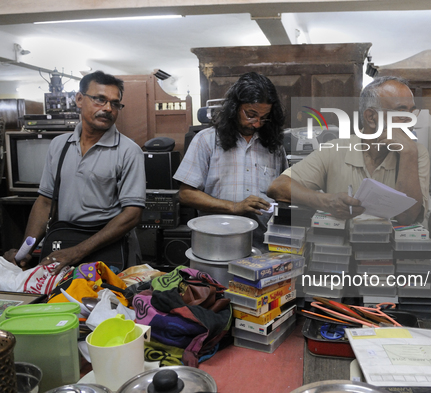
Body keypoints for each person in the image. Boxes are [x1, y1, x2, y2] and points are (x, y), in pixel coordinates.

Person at [3, 71, 146, 273]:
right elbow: (44, 204)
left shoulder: (129, 151)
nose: (107, 108)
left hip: (111, 251)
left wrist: (78, 252)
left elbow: (132, 214)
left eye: (115, 103)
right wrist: (26, 250)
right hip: (65, 244)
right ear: (79, 99)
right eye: (100, 99)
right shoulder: (58, 145)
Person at [267, 76, 430, 225]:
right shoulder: (335, 149)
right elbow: (278, 187)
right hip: (340, 251)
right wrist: (326, 201)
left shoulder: (416, 153)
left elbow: (407, 217)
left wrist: (408, 154)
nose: (411, 120)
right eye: (402, 111)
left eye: (412, 111)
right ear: (371, 118)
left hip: (390, 253)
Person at [173, 72, 288, 250]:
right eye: (251, 114)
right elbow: (185, 194)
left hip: (263, 246)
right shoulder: (206, 140)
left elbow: (283, 194)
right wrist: (234, 207)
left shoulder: (274, 146)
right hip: (217, 245)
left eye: (264, 117)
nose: (257, 123)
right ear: (235, 107)